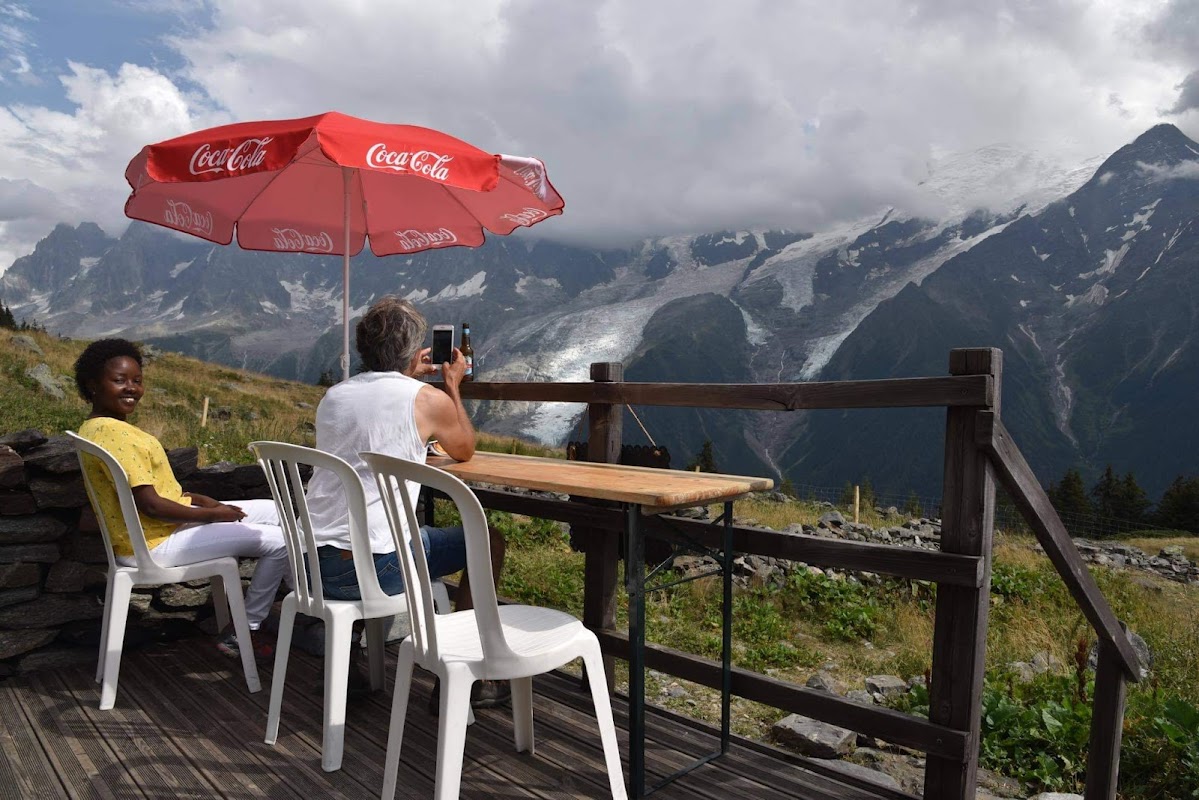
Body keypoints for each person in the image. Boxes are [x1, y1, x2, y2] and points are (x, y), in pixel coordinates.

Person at [305, 295, 508, 708]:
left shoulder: (334, 396)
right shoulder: (424, 399)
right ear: (417, 353)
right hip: (374, 572)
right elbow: (464, 448)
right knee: (489, 542)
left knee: (373, 532)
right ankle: (465, 675)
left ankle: (346, 664)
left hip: (311, 564)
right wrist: (452, 387)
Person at [73, 338, 288, 658]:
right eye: (119, 380)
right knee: (282, 542)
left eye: (137, 380)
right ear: (92, 385)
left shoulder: (94, 428)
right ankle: (247, 630)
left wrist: (197, 499)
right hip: (154, 542)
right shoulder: (116, 433)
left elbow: (151, 493)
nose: (131, 388)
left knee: (278, 513)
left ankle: (301, 603)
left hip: (152, 532)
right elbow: (151, 505)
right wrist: (215, 515)